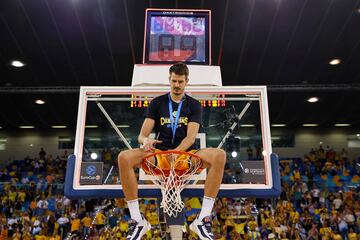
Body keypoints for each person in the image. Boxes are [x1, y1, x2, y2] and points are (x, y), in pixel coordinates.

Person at [118, 62, 226, 240]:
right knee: (124, 157)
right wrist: (146, 141)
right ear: (169, 80)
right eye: (174, 81)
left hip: (186, 157)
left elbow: (191, 138)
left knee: (219, 155)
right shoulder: (157, 103)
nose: (177, 85)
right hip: (159, 157)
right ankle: (137, 220)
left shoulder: (194, 105)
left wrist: (176, 153)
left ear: (186, 81)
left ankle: (203, 218)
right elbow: (141, 135)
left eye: (180, 81)